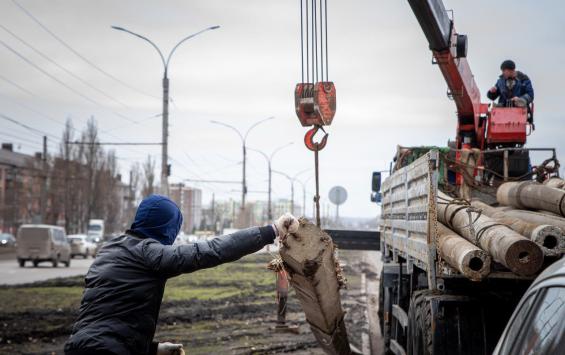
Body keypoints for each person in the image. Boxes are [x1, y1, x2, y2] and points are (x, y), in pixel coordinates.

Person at [64, 194, 299, 355]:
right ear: (167, 229)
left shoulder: (111, 249)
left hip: (81, 347)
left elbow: (110, 317)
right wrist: (272, 231)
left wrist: (153, 349)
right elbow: (209, 251)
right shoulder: (149, 253)